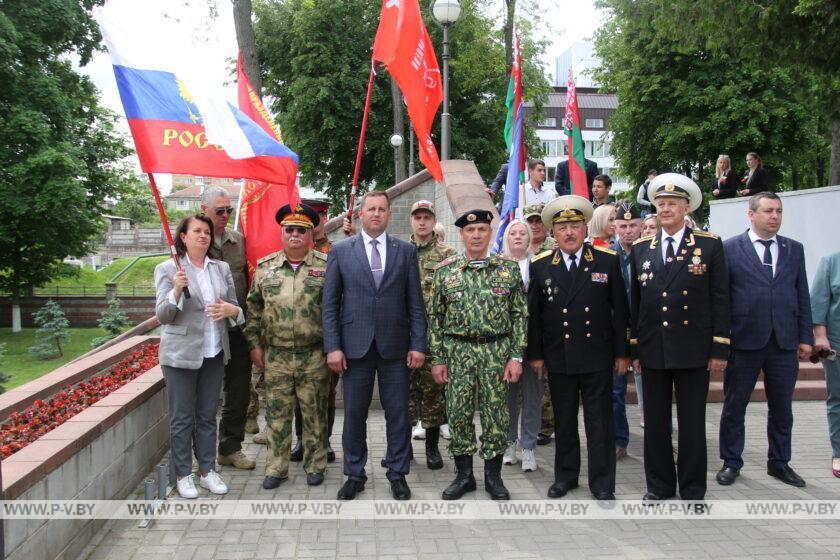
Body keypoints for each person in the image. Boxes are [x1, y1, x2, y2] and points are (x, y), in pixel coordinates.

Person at [629, 173, 730, 502]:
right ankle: (658, 486)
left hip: (692, 348)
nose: (666, 209)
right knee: (656, 424)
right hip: (654, 348)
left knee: (691, 425)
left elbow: (720, 299)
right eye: (660, 204)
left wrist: (719, 347)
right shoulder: (643, 248)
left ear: (686, 207)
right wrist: (634, 348)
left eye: (672, 203)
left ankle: (692, 489)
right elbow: (637, 303)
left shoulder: (708, 245)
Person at [322, 191, 426, 501]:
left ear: (389, 214)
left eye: (382, 209)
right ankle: (355, 474)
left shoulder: (405, 252)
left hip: (396, 347)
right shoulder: (341, 251)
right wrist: (333, 347)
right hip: (355, 348)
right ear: (360, 215)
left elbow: (415, 304)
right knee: (354, 414)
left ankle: (397, 473)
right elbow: (330, 305)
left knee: (398, 414)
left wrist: (418, 344)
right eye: (371, 209)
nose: (377, 214)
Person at [528, 196, 630, 500]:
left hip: (597, 356)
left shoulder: (606, 260)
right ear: (553, 233)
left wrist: (623, 352)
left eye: (574, 226)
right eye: (562, 227)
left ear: (585, 229)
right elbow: (534, 316)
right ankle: (566, 477)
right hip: (560, 356)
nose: (569, 232)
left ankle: (602, 483)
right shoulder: (541, 265)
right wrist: (535, 355)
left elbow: (621, 311)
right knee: (565, 421)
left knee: (599, 424)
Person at [716, 192, 813, 488]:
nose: (774, 216)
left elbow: (802, 294)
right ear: (751, 214)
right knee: (735, 404)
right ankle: (731, 462)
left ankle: (780, 462)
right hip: (744, 341)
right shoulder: (730, 249)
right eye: (768, 211)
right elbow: (721, 299)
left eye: (778, 211)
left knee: (782, 407)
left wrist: (805, 336)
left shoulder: (793, 250)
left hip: (783, 341)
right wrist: (721, 341)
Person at [429, 209, 527, 500]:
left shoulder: (507, 270)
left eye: (482, 230)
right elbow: (435, 317)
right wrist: (438, 358)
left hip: (496, 351)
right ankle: (464, 476)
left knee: (496, 414)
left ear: (490, 234)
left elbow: (520, 315)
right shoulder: (446, 270)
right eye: (470, 231)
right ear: (461, 235)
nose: (476, 235)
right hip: (457, 351)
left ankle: (493, 478)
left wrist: (516, 356)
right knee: (458, 414)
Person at [154, 215, 244, 499]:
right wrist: (176, 290)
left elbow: (236, 309)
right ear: (183, 236)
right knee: (182, 417)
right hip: (180, 355)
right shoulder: (169, 269)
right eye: (197, 231)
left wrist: (232, 312)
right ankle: (183, 474)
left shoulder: (221, 268)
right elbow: (163, 316)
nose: (203, 236)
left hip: (214, 351)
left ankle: (207, 470)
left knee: (207, 415)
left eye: (206, 231)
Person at [244, 204, 330, 489]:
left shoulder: (325, 266)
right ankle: (276, 467)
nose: (295, 235)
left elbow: (336, 310)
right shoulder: (266, 268)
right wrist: (255, 345)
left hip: (314, 353)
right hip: (277, 355)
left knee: (314, 414)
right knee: (277, 415)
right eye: (289, 229)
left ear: (310, 234)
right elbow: (253, 309)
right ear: (282, 233)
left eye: (301, 230)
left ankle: (315, 464)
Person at [198, 187, 256, 472]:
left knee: (238, 392)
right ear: (204, 209)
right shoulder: (195, 241)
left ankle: (230, 448)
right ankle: (202, 456)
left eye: (228, 210)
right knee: (206, 394)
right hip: (204, 331)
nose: (225, 215)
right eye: (219, 210)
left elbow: (246, 282)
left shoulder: (239, 242)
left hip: (235, 327)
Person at [287, 198, 339, 464]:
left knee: (326, 394)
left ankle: (324, 441)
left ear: (325, 218)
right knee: (299, 394)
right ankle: (301, 440)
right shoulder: (295, 248)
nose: (314, 223)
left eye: (318, 217)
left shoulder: (336, 250)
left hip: (325, 338)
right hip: (298, 339)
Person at [407, 200, 456, 470]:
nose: (422, 222)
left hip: (435, 336)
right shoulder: (399, 251)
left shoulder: (446, 253)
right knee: (404, 394)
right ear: (411, 221)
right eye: (418, 217)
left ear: (433, 220)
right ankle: (404, 449)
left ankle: (433, 449)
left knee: (434, 395)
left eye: (427, 217)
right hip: (404, 336)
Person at [501, 220, 541, 472]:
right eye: (513, 233)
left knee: (533, 397)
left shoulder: (540, 266)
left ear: (529, 239)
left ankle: (528, 447)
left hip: (534, 343)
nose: (518, 237)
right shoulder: (498, 266)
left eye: (522, 233)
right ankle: (509, 444)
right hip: (505, 344)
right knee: (507, 398)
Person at [611, 202, 644, 458]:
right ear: (614, 227)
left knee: (655, 393)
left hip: (647, 333)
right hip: (617, 335)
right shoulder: (608, 257)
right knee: (616, 392)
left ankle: (660, 440)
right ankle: (619, 440)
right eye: (623, 226)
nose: (628, 231)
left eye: (633, 225)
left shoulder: (651, 253)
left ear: (642, 226)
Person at [523, 204, 558, 444]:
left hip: (547, 322)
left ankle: (546, 426)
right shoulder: (518, 247)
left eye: (538, 221)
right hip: (522, 323)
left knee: (545, 381)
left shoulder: (553, 250)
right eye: (530, 221)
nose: (535, 225)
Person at [811, 251, 840, 477]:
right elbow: (819, 300)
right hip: (837, 343)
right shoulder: (832, 261)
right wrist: (820, 336)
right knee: (838, 398)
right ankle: (839, 453)